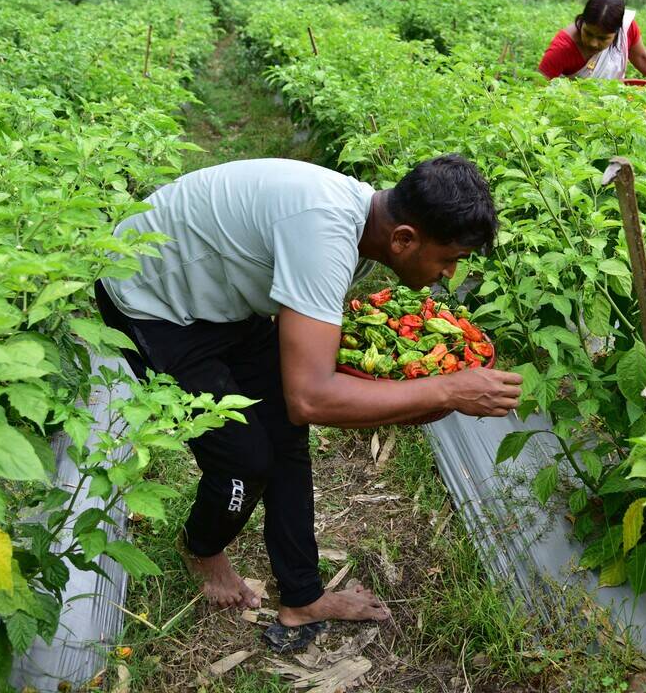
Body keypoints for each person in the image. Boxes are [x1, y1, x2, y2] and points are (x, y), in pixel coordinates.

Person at [94, 154, 523, 634]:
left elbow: (303, 400)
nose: (448, 274)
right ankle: (201, 549)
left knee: (285, 434)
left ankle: (301, 597)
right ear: (404, 239)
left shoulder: (363, 222)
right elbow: (312, 398)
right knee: (244, 458)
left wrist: (425, 389)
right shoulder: (326, 236)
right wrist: (444, 388)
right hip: (154, 299)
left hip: (225, 294)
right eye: (449, 259)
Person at [538, 0, 646, 113]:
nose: (593, 43)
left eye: (603, 38)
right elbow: (538, 92)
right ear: (582, 21)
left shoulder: (627, 29)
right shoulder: (562, 48)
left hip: (613, 111)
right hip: (575, 115)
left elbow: (643, 59)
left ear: (618, 32)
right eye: (588, 33)